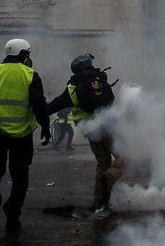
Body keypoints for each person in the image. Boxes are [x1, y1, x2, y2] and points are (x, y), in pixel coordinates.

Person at [0, 38, 50, 233]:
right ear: (24, 54)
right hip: (23, 134)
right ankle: (13, 214)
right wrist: (46, 127)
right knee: (20, 175)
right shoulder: (30, 75)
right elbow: (39, 104)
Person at [47, 53, 129, 215]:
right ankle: (110, 177)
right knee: (124, 156)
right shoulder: (100, 80)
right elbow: (110, 102)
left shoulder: (72, 88)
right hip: (106, 126)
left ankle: (100, 203)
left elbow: (55, 105)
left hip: (90, 129)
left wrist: (38, 111)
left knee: (103, 161)